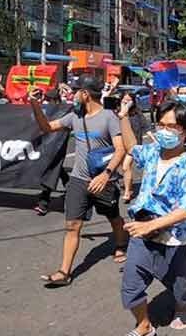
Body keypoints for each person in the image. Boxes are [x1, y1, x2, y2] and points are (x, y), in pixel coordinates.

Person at [30, 77, 128, 287]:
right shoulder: (74, 116)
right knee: (72, 226)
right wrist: (35, 104)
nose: (72, 94)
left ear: (85, 94)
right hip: (78, 180)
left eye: (75, 91)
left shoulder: (109, 117)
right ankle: (64, 272)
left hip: (104, 180)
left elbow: (121, 148)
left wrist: (106, 175)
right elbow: (47, 127)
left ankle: (121, 242)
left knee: (113, 217)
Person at [119, 99, 186, 335]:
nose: (163, 131)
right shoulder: (153, 153)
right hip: (142, 233)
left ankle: (182, 307)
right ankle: (144, 325)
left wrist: (154, 225)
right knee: (131, 286)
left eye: (171, 126)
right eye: (161, 125)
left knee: (180, 288)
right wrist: (123, 116)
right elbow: (131, 147)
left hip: (175, 241)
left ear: (185, 132)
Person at [34, 88, 71, 216]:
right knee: (57, 169)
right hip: (45, 145)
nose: (47, 101)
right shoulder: (44, 109)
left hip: (57, 144)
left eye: (49, 99)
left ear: (55, 100)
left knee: (51, 170)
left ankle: (43, 202)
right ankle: (71, 187)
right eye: (46, 99)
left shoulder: (64, 110)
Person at [119, 90, 153, 203]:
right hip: (119, 145)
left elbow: (146, 128)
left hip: (133, 146)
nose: (127, 102)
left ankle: (128, 192)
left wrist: (155, 140)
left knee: (125, 166)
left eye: (129, 100)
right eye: (125, 100)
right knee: (123, 168)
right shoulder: (116, 113)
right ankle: (128, 186)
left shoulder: (137, 113)